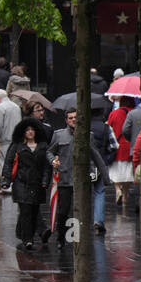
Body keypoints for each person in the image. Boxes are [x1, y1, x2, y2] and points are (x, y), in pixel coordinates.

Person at [45, 107, 110, 250]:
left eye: (75, 117)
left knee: (81, 211)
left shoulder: (88, 135)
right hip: (64, 179)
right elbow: (49, 151)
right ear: (66, 120)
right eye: (70, 118)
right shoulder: (59, 135)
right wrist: (53, 161)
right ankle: (61, 237)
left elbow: (96, 156)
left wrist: (105, 177)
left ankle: (75, 237)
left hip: (82, 180)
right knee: (63, 211)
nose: (73, 120)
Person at [2, 119, 47, 249]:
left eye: (32, 130)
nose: (30, 132)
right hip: (21, 183)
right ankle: (28, 239)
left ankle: (23, 234)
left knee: (33, 211)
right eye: (27, 130)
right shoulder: (17, 146)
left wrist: (45, 181)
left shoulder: (43, 146)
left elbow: (46, 167)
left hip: (37, 184)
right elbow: (8, 163)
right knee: (26, 210)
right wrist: (6, 181)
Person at [107, 95, 136, 206]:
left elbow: (109, 127)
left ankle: (117, 189)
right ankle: (125, 195)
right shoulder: (135, 113)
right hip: (130, 146)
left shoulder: (114, 113)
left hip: (117, 146)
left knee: (115, 171)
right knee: (128, 172)